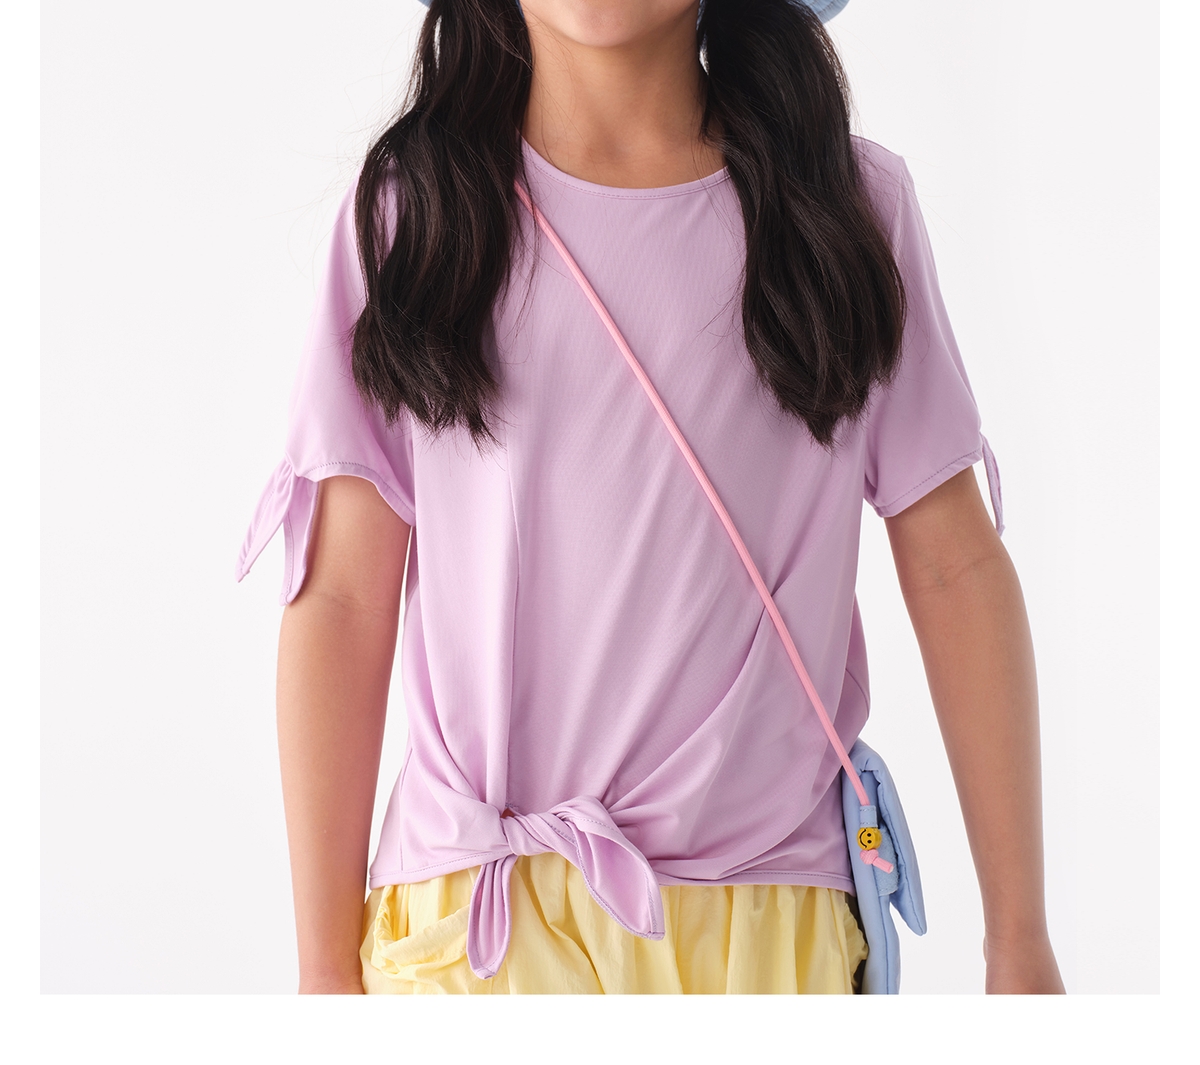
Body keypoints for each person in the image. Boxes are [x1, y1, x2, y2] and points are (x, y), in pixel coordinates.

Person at [236, 0, 1066, 994]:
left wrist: (1019, 938)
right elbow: (341, 599)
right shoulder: (413, 217)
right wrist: (323, 971)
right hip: (474, 927)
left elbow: (954, 562)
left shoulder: (844, 209)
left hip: (768, 920)